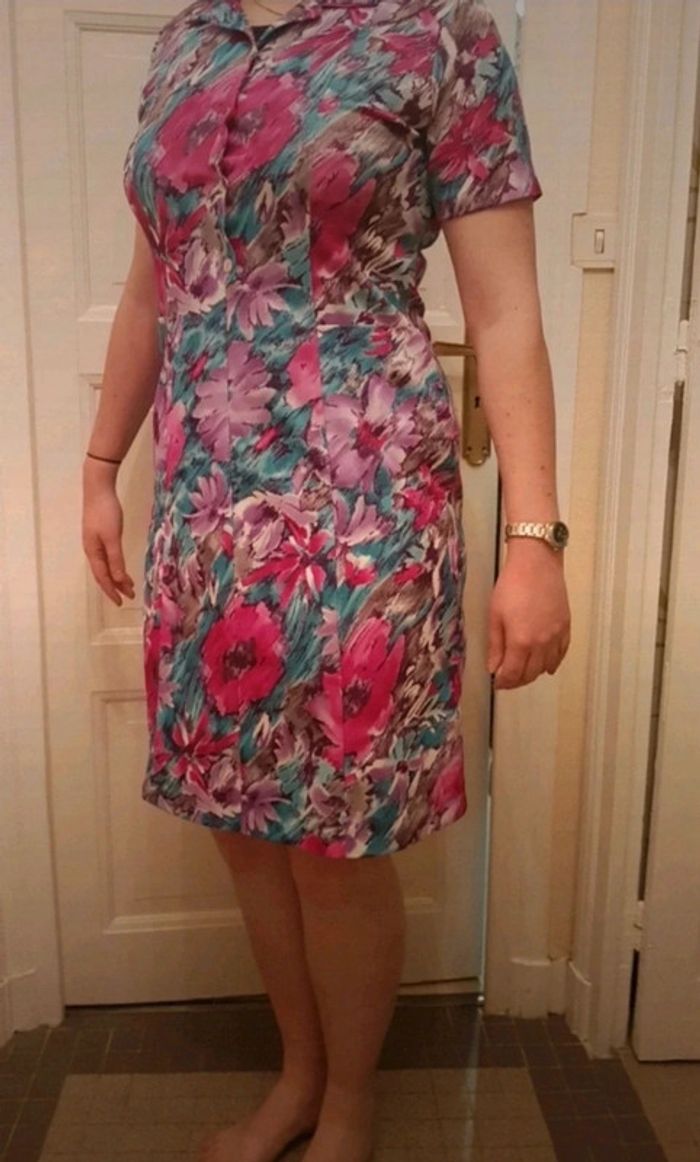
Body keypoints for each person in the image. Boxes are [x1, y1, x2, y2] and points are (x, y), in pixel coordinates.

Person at [81, 0, 571, 1159]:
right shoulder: (185, 44)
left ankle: (348, 1103)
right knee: (243, 825)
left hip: (362, 512)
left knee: (338, 836)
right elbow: (154, 288)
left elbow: (505, 313)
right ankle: (298, 1078)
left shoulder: (437, 36)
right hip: (206, 509)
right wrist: (101, 463)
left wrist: (535, 539)